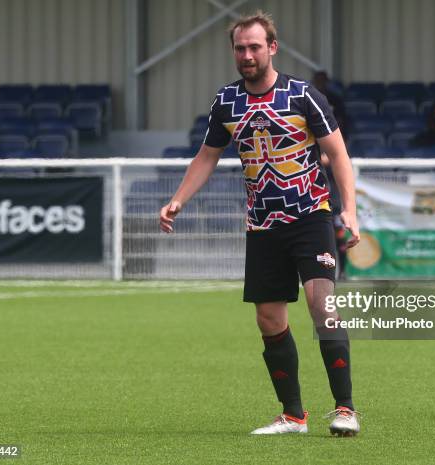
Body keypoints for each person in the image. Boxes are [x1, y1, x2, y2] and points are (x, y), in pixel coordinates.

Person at [159, 11, 361, 437]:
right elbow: (208, 156)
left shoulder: (303, 95)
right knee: (269, 319)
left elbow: (339, 154)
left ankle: (345, 410)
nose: (247, 55)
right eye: (240, 48)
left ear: (272, 47)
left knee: (321, 306)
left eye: (254, 47)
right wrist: (178, 200)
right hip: (263, 225)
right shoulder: (226, 102)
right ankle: (293, 416)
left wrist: (350, 209)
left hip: (311, 216)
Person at [312, 71, 349, 279]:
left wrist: (331, 156)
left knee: (337, 230)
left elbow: (342, 140)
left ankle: (342, 270)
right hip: (313, 183)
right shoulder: (306, 103)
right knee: (319, 234)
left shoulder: (334, 103)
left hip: (332, 186)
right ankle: (322, 272)